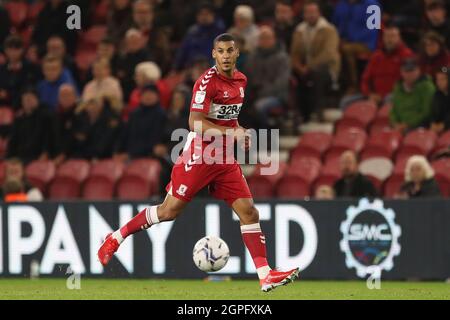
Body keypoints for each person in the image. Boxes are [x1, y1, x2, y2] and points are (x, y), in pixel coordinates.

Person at [98, 33, 299, 292]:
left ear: (237, 54)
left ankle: (265, 275)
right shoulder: (206, 82)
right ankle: (114, 238)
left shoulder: (241, 81)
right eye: (221, 51)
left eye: (230, 50)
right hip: (201, 155)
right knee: (169, 211)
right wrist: (231, 133)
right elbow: (195, 123)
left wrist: (240, 131)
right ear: (213, 54)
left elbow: (229, 119)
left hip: (225, 158)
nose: (226, 55)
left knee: (249, 212)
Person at [291, 0, 340, 121]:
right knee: (293, 75)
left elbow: (328, 53)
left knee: (317, 73)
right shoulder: (299, 30)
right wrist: (298, 66)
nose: (311, 15)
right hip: (305, 68)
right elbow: (294, 53)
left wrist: (309, 66)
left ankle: (318, 110)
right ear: (304, 14)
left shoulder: (329, 29)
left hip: (326, 68)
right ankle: (300, 113)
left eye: (313, 12)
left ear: (319, 13)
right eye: (308, 12)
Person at [245, 26, 291, 128]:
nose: (265, 41)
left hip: (276, 95)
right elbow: (249, 77)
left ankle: (267, 137)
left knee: (259, 107)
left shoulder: (282, 58)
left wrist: (263, 92)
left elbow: (281, 82)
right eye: (262, 38)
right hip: (255, 94)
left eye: (268, 38)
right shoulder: (253, 57)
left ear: (273, 39)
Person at [333, 0, 380, 93]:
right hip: (345, 41)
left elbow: (373, 30)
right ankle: (333, 83)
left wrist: (350, 39)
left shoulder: (372, 6)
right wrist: (339, 38)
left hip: (367, 43)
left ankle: (353, 85)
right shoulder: (342, 5)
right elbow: (335, 24)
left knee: (346, 49)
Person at [361, 23, 414, 105]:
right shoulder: (376, 56)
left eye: (393, 36)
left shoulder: (407, 55)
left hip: (395, 95)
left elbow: (409, 80)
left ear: (399, 38)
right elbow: (365, 79)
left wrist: (383, 96)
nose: (389, 40)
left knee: (388, 100)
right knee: (346, 102)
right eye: (387, 36)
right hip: (374, 96)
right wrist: (369, 94)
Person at [7, 88, 59, 163]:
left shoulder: (46, 116)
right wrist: (9, 157)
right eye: (25, 100)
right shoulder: (19, 119)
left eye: (30, 99)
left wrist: (45, 153)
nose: (27, 102)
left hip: (37, 157)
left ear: (37, 100)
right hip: (20, 157)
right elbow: (13, 140)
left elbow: (48, 137)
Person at [115, 84, 167, 160]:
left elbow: (154, 139)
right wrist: (118, 152)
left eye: (151, 94)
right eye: (145, 94)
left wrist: (130, 154)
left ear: (157, 97)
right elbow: (125, 135)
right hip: (128, 155)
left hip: (148, 156)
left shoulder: (160, 114)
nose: (148, 96)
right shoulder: (135, 113)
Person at [173, 2, 225, 70]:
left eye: (207, 14)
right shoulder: (192, 32)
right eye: (201, 14)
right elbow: (183, 51)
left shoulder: (219, 32)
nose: (204, 17)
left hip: (211, 68)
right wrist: (175, 68)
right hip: (191, 68)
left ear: (213, 15)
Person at [390, 58, 436, 131]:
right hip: (399, 128)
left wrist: (408, 124)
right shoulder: (398, 87)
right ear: (401, 72)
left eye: (412, 71)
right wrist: (395, 124)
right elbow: (393, 111)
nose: (409, 74)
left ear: (418, 70)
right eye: (406, 71)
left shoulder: (427, 87)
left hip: (421, 127)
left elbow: (426, 112)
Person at [0, 35, 40, 109]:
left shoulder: (31, 68)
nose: (13, 52)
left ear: (22, 50)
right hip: (4, 107)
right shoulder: (1, 69)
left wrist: (8, 95)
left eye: (16, 49)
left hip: (24, 107)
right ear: (5, 50)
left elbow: (32, 88)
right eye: (10, 49)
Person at [430, 67, 450, 132]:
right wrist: (433, 123)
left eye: (442, 79)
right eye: (438, 80)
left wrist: (444, 125)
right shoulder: (437, 95)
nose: (439, 82)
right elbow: (433, 113)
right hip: (438, 128)